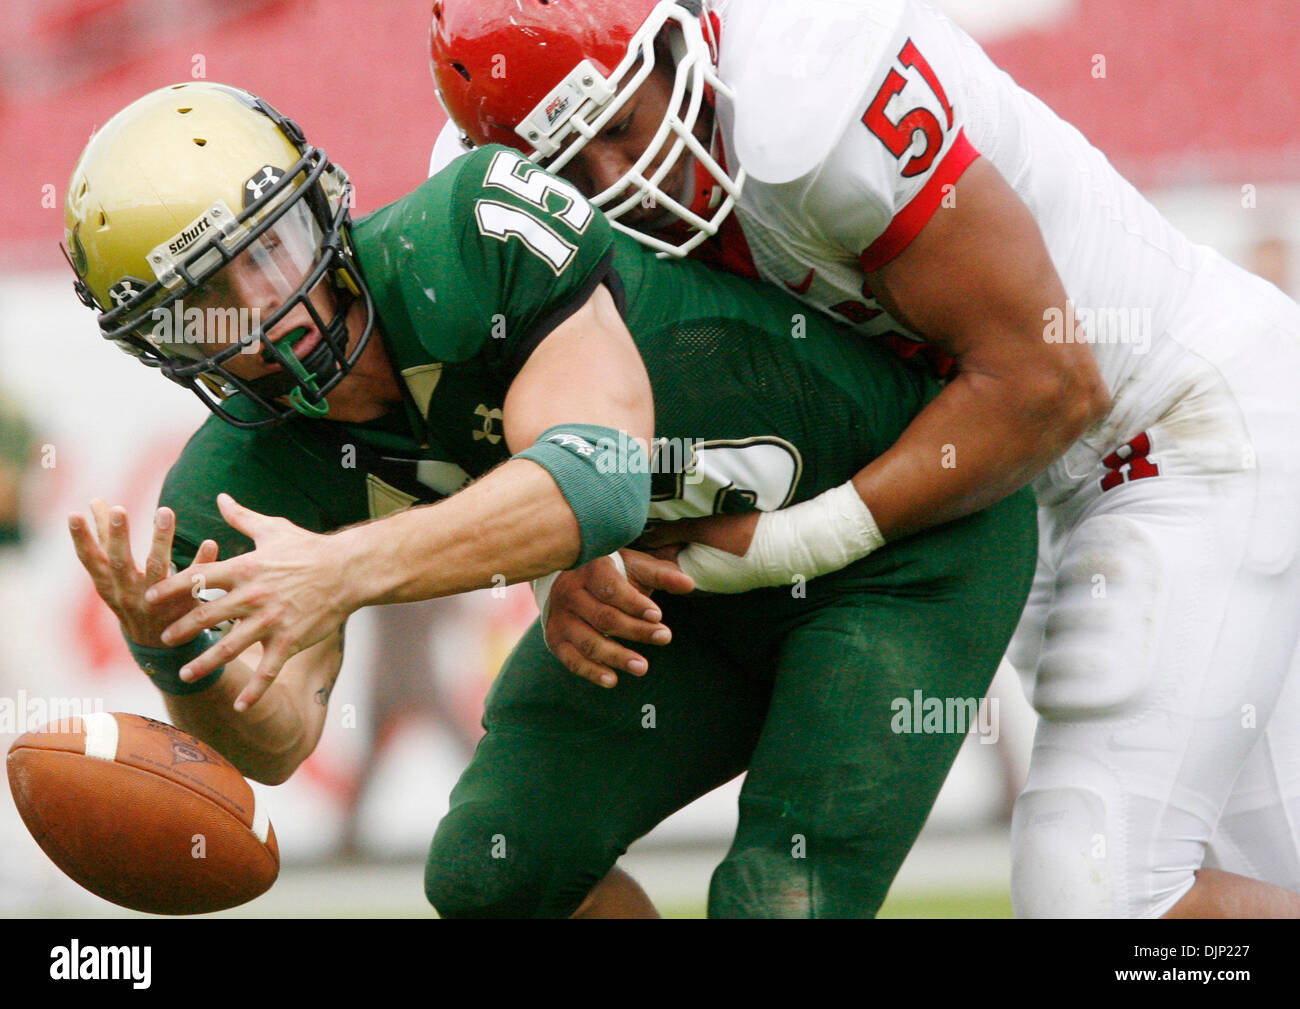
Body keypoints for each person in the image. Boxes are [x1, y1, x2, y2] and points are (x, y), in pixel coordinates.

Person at [63, 81, 1035, 917]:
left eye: (267, 250)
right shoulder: (228, 479)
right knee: (495, 874)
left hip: (898, 548)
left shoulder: (464, 234)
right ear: (166, 343)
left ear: (319, 205)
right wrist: (180, 654)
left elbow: (599, 473)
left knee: (776, 894)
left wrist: (339, 571)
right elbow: (279, 741)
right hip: (674, 604)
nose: (265, 306)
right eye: (207, 304)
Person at [427, 0, 1300, 917]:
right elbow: (554, 417)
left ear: (679, 42)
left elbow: (1047, 381)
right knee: (1254, 866)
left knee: (1103, 892)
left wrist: (786, 544)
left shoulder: (809, 92)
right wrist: (570, 552)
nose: (620, 180)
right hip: (1018, 481)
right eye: (568, 164)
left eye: (617, 124)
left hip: (1171, 422)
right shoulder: (501, 216)